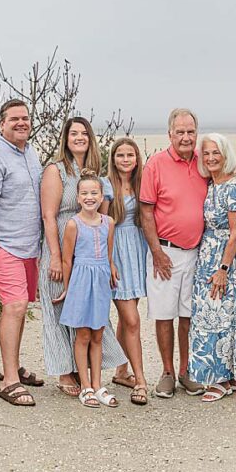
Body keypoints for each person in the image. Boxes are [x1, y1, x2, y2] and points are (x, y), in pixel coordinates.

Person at [37, 118, 129, 397]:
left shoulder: (94, 174)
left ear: (90, 138)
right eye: (73, 133)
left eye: (84, 133)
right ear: (65, 138)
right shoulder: (56, 170)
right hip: (61, 245)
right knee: (59, 309)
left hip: (90, 252)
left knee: (86, 311)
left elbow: (104, 216)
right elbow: (49, 215)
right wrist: (54, 256)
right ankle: (65, 372)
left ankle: (87, 372)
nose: (79, 138)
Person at [0, 99, 44, 407]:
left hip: (30, 246)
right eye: (14, 118)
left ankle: (10, 367)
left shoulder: (31, 153)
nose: (21, 123)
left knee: (22, 307)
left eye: (25, 118)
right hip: (6, 246)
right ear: (1, 123)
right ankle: (10, 382)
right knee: (14, 307)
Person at [187, 133, 236, 403]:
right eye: (206, 153)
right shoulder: (212, 184)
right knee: (211, 316)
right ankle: (226, 375)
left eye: (215, 153)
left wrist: (223, 268)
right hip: (206, 257)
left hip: (224, 260)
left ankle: (221, 379)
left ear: (226, 154)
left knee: (223, 315)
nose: (210, 158)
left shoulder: (233, 186)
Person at [139, 108, 209, 399]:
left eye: (190, 132)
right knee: (164, 315)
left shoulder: (204, 163)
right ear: (170, 134)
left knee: (189, 316)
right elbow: (146, 210)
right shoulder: (155, 164)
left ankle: (186, 371)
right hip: (164, 253)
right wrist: (156, 251)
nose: (185, 137)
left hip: (195, 252)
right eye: (179, 132)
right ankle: (167, 372)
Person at [52, 171, 120, 408]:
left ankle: (98, 384)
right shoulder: (73, 224)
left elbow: (109, 253)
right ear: (78, 198)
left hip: (100, 281)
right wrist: (68, 289)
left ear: (102, 196)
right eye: (85, 193)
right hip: (81, 281)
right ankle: (85, 385)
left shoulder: (108, 223)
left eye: (94, 193)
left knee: (98, 334)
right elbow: (67, 260)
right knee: (82, 335)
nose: (89, 197)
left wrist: (111, 267)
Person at [106, 137, 150, 406]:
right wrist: (108, 260)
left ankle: (121, 372)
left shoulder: (141, 183)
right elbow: (102, 224)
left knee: (126, 317)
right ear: (113, 159)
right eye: (120, 155)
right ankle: (141, 379)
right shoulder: (106, 186)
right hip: (116, 252)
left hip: (138, 249)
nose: (125, 159)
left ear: (137, 158)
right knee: (132, 320)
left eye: (130, 155)